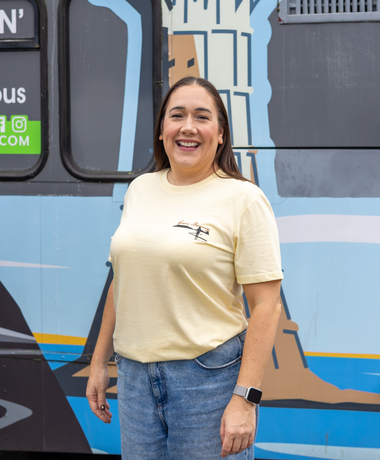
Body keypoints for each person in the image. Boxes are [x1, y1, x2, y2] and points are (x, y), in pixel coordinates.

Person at [86, 76, 283, 459]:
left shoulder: (243, 199)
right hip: (135, 380)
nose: (188, 126)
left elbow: (267, 306)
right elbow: (121, 281)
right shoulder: (141, 189)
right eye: (177, 116)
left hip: (207, 381)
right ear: (162, 131)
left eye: (202, 116)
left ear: (221, 134)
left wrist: (245, 399)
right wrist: (98, 362)